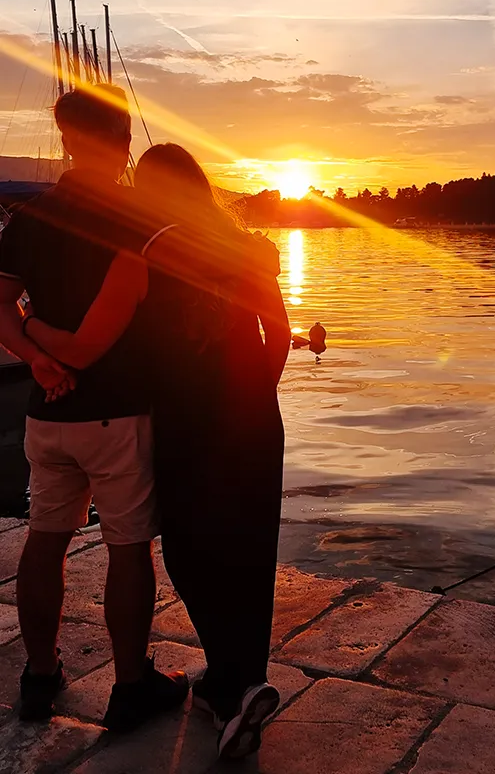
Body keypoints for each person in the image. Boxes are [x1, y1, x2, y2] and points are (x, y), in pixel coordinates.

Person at [26, 142, 291, 761]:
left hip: (184, 419)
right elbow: (277, 332)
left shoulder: (145, 254)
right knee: (251, 547)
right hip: (254, 415)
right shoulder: (252, 249)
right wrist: (256, 392)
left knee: (190, 549)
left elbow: (113, 344)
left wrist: (36, 336)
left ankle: (230, 684)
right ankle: (238, 679)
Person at [0, 88, 189, 730]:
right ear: (124, 142)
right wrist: (58, 354)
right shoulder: (138, 219)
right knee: (128, 549)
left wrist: (35, 358)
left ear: (66, 142)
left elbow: (2, 305)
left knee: (44, 541)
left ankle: (39, 675)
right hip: (118, 412)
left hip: (46, 416)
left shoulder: (30, 218)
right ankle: (130, 684)